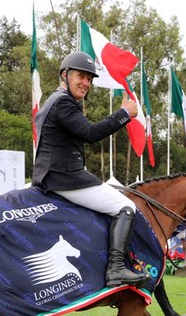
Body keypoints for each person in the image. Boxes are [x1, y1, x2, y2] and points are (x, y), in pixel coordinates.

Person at [32, 51, 147, 288]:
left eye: (89, 79)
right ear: (65, 75)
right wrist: (124, 114)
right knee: (126, 206)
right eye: (81, 76)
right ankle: (116, 268)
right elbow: (90, 133)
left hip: (54, 175)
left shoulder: (53, 100)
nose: (86, 83)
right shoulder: (63, 101)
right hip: (63, 178)